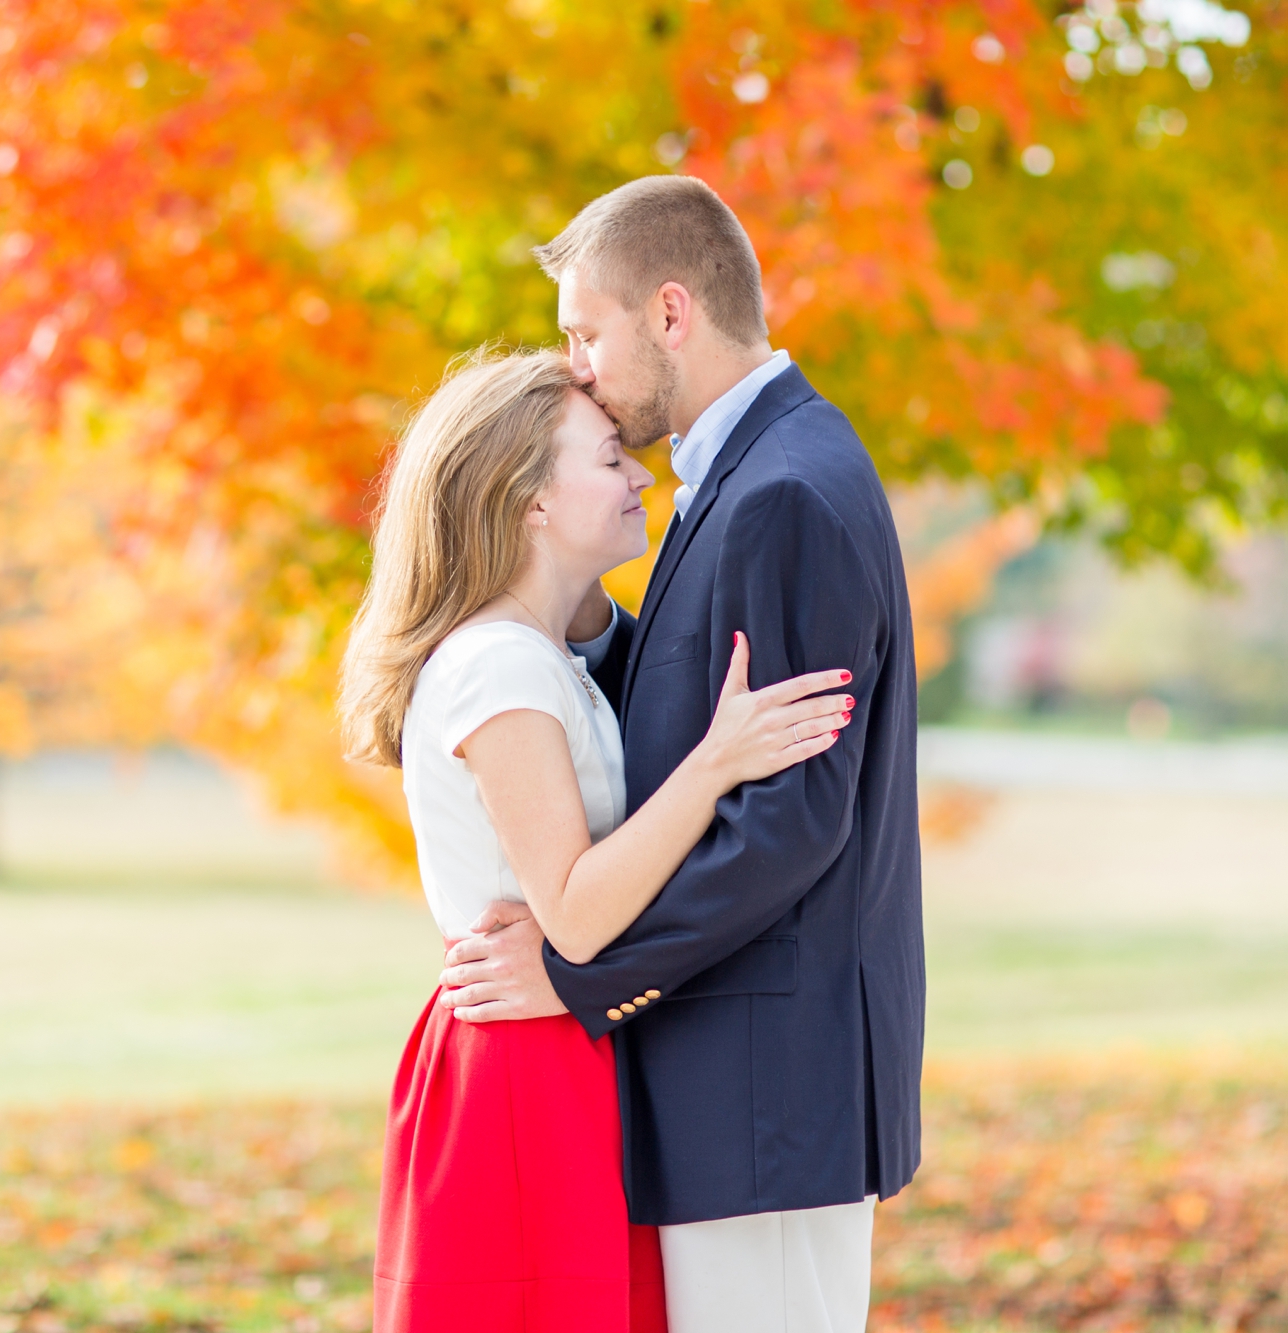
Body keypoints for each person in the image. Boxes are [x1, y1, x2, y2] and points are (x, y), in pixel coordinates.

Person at [434, 176, 925, 1333]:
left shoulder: (783, 491)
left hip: (764, 1087)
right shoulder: (759, 468)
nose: (576, 368)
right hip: (747, 1085)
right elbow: (695, 709)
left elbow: (789, 822)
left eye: (583, 333)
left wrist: (573, 972)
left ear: (667, 313)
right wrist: (578, 623)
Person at [337, 347, 856, 1332]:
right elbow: (571, 913)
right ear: (527, 498)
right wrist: (716, 764)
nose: (641, 476)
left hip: (564, 1049)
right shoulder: (496, 667)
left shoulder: (544, 653)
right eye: (609, 457)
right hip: (520, 1069)